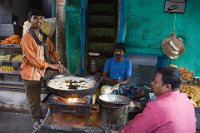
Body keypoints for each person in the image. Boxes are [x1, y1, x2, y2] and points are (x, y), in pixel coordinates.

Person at [20, 9, 66, 130]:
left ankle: (57, 110)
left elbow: (52, 51)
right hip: (30, 72)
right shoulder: (26, 38)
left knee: (65, 74)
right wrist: (51, 65)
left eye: (40, 18)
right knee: (34, 99)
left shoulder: (45, 36)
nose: (38, 21)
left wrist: (58, 63)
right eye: (35, 18)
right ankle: (36, 119)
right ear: (30, 20)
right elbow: (33, 60)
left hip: (44, 70)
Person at [123, 67, 196, 133]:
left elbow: (131, 131)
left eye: (155, 81)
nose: (152, 83)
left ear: (167, 86)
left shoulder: (157, 107)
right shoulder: (185, 99)